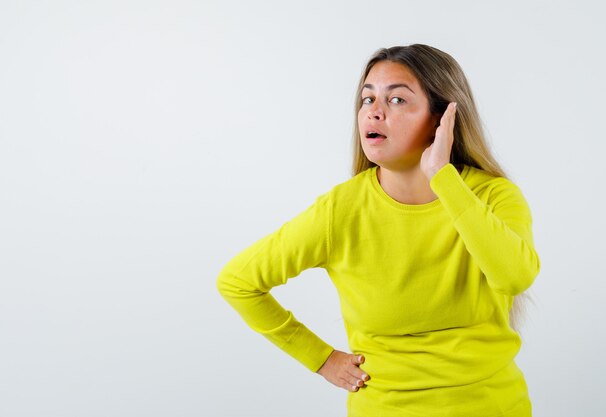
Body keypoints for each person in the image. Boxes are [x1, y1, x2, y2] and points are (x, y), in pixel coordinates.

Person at [216, 43, 541, 417]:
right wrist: (321, 359)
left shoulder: (493, 195)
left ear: (442, 119)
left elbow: (515, 277)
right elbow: (237, 282)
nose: (375, 112)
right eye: (367, 99)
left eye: (398, 100)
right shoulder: (341, 210)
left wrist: (444, 180)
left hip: (492, 407)